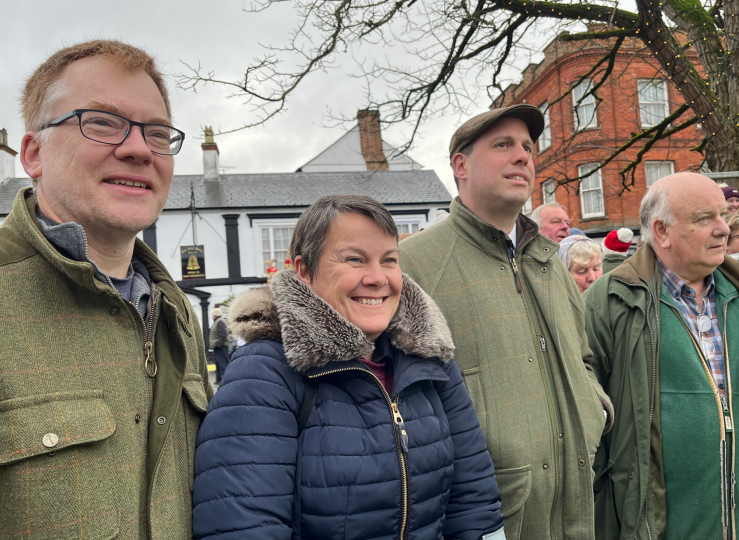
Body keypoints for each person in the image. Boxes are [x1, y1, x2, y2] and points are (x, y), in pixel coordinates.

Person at [193, 195, 505, 540]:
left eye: (389, 260)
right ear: (304, 271)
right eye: (355, 259)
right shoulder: (265, 370)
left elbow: (474, 502)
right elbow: (244, 525)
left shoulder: (431, 360)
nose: (376, 277)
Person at [0, 40, 211, 539]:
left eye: (157, 133)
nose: (139, 148)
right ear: (34, 153)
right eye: (101, 122)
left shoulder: (175, 309)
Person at [400, 105, 612, 540]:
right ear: (460, 165)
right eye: (503, 145)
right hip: (487, 517)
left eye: (528, 148)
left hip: (577, 509)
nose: (523, 157)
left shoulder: (550, 262)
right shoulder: (413, 264)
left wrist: (595, 412)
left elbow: (583, 357)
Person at [583, 172, 739, 540]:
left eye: (722, 216)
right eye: (704, 218)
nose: (723, 229)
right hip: (657, 523)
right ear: (661, 231)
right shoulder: (610, 300)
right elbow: (580, 388)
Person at [209, 307, 230, 384]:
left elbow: (223, 334)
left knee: (223, 364)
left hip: (221, 347)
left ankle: (225, 381)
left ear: (214, 315)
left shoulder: (219, 321)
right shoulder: (218, 321)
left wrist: (219, 344)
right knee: (218, 363)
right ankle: (219, 379)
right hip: (218, 347)